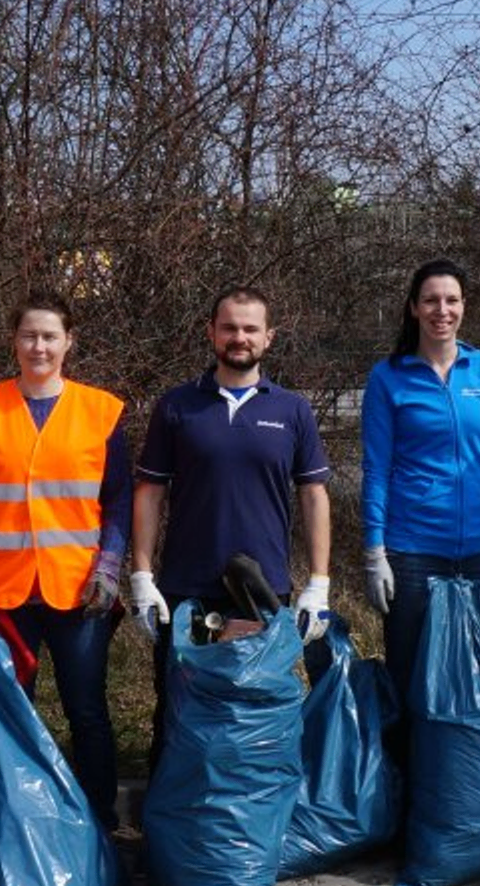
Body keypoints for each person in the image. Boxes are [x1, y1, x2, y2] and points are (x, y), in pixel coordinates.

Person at [0, 291, 133, 833]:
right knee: (8, 713)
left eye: (50, 336)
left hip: (78, 590)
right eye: (29, 335)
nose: (39, 346)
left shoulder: (101, 412)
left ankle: (99, 819)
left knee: (86, 709)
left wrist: (110, 566)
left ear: (69, 342)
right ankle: (14, 822)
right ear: (13, 342)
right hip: (2, 591)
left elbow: (119, 498)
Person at [129, 288, 333, 764]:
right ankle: (171, 829)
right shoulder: (177, 406)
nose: (239, 337)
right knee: (179, 712)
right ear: (211, 333)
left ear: (269, 337)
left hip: (260, 595)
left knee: (252, 713)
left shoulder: (292, 410)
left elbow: (313, 495)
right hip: (186, 593)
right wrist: (141, 576)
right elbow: (149, 493)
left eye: (250, 329)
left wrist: (319, 584)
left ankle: (249, 828)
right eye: (229, 327)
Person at [359, 258, 480, 700]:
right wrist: (374, 549)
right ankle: (406, 766)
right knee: (409, 672)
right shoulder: (388, 377)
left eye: (451, 300)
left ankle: (479, 769)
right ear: (414, 307)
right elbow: (376, 468)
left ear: (464, 307)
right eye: (431, 300)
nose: (442, 310)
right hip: (413, 551)